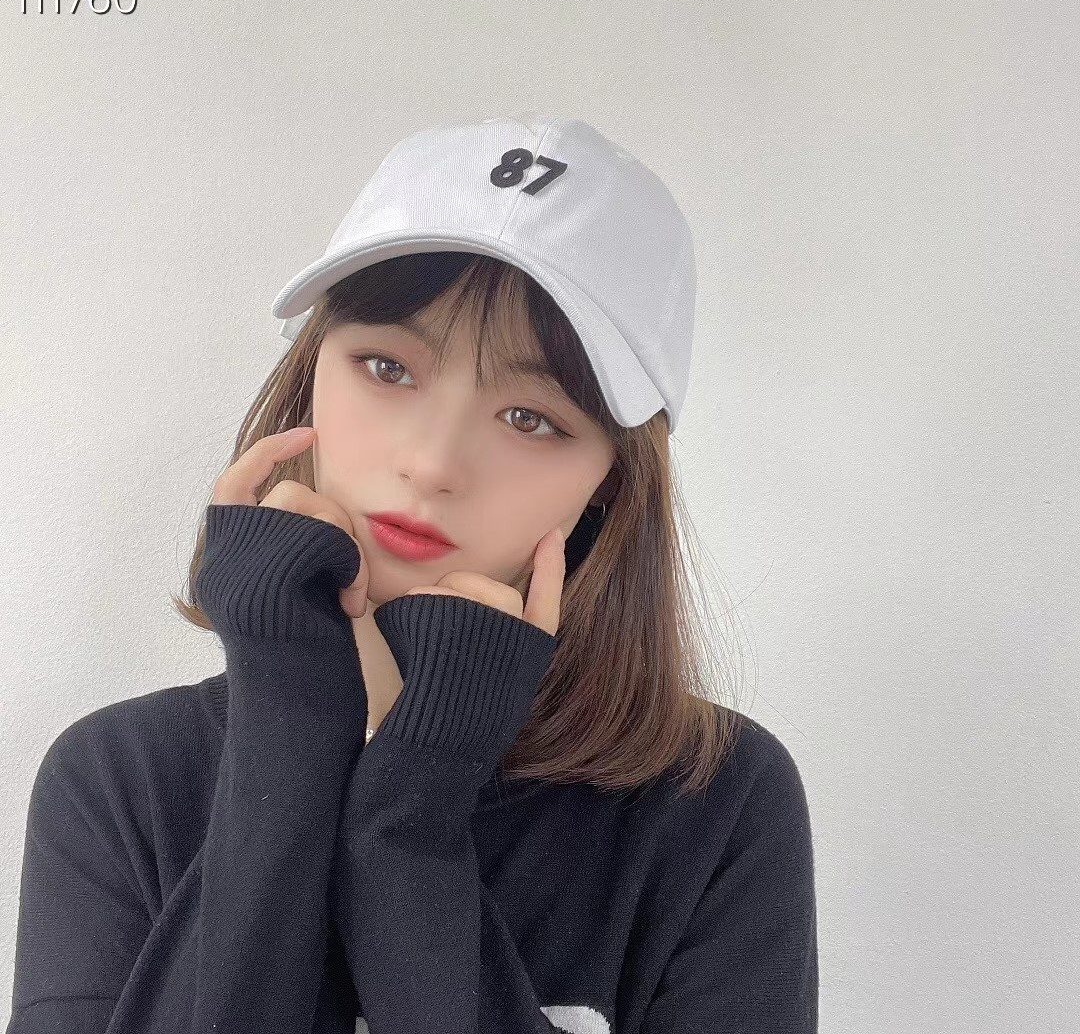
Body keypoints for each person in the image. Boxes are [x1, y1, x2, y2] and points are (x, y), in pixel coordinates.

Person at [5, 112, 818, 1034]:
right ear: (310, 377)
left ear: (608, 484)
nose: (432, 463)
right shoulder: (121, 779)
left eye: (531, 418)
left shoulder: (712, 805)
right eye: (387, 367)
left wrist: (411, 824)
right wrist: (290, 737)